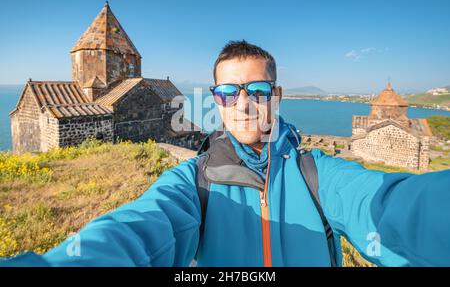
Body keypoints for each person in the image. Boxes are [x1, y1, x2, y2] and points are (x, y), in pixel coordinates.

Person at [2, 40, 449, 267]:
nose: (244, 103)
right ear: (215, 100)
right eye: (228, 92)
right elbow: (140, 231)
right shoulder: (193, 183)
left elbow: (390, 206)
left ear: (276, 94)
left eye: (256, 89)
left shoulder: (318, 175)